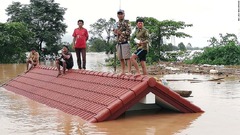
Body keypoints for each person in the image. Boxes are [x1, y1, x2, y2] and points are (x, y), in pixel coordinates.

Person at [113, 9, 132, 75]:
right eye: (119, 14)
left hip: (125, 42)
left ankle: (129, 71)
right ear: (117, 15)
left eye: (121, 14)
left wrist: (121, 32)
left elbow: (129, 32)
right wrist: (115, 32)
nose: (120, 15)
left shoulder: (127, 22)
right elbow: (114, 33)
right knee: (120, 58)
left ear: (124, 14)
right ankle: (123, 71)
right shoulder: (116, 24)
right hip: (118, 42)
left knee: (127, 58)